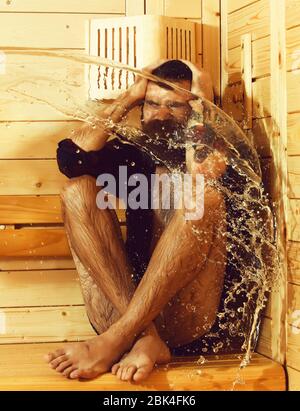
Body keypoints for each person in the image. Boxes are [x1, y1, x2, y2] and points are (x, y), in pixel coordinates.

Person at [44, 59, 260, 383]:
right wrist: (128, 97)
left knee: (202, 195)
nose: (160, 115)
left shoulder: (219, 153)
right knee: (78, 190)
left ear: (195, 110)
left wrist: (203, 106)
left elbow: (203, 174)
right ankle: (142, 335)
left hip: (186, 321)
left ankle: (119, 339)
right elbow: (72, 159)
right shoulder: (134, 155)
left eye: (175, 106)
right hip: (119, 306)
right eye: (152, 104)